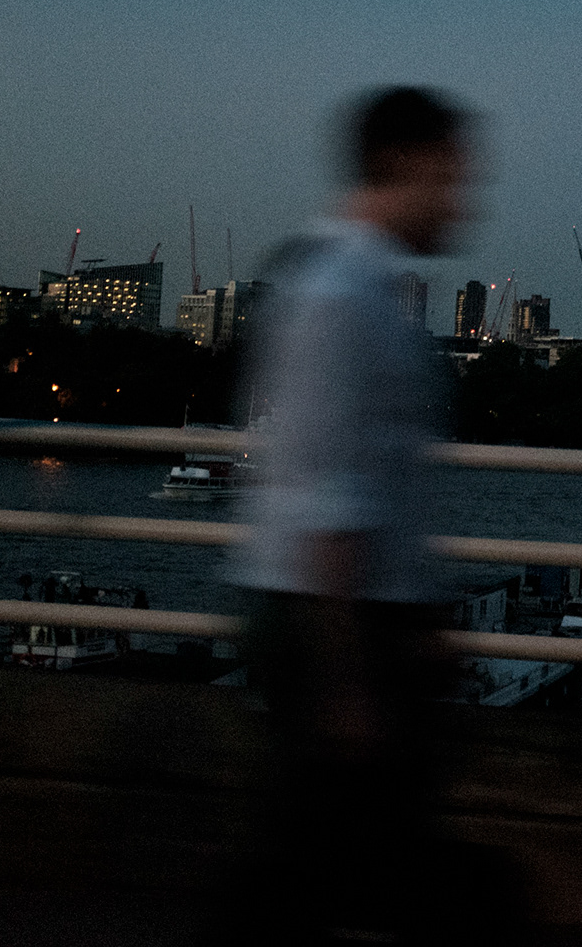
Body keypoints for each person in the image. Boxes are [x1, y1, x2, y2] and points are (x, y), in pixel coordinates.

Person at [220, 85, 512, 945]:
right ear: (401, 165)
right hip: (330, 630)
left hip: (350, 624)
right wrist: (348, 681)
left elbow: (368, 494)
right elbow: (325, 509)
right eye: (453, 179)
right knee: (332, 881)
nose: (466, 202)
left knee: (315, 880)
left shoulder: (362, 289)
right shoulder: (342, 298)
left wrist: (424, 621)